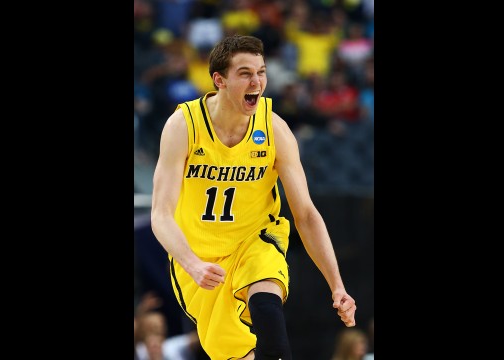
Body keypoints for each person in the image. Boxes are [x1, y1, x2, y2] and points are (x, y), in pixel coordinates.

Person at [151, 34, 357, 360]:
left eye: (261, 72)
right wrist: (192, 264)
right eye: (245, 73)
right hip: (200, 258)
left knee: (267, 311)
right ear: (219, 80)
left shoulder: (274, 129)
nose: (257, 81)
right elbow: (160, 214)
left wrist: (337, 285)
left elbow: (305, 213)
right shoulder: (183, 125)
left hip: (255, 239)